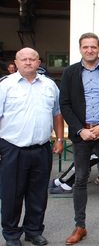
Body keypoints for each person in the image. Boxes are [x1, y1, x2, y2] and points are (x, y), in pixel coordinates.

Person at [59, 32, 99, 246]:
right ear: (80, 49)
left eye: (93, 47)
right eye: (85, 46)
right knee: (79, 180)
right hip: (82, 134)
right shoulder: (69, 72)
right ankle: (80, 226)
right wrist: (79, 130)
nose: (89, 50)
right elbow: (65, 105)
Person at [0, 48, 64, 246]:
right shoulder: (5, 86)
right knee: (12, 194)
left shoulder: (49, 85)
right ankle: (11, 234)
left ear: (38, 63)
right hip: (12, 148)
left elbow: (57, 113)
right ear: (16, 63)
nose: (28, 62)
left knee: (38, 193)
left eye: (32, 59)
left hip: (41, 148)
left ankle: (33, 231)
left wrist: (60, 139)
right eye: (24, 59)